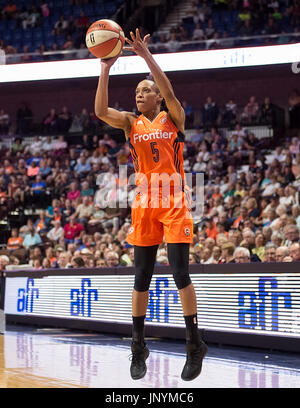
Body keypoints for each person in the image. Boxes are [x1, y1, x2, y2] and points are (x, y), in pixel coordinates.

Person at [94, 28, 207, 382]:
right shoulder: (130, 122)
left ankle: (193, 344)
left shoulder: (173, 116)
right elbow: (99, 111)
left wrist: (146, 58)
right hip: (144, 203)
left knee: (179, 273)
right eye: (138, 91)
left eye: (146, 91)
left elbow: (169, 89)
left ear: (158, 97)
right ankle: (138, 345)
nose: (140, 94)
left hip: (173, 201)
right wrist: (105, 67)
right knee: (141, 277)